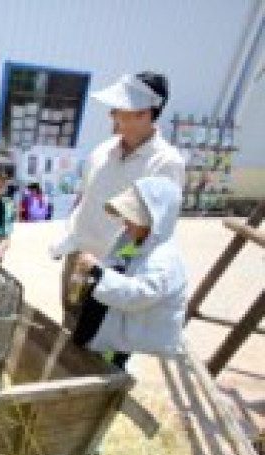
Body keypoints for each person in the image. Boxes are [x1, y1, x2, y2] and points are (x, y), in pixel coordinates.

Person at [51, 72, 185, 327]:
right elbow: (84, 197)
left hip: (113, 273)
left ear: (144, 113)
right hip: (79, 257)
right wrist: (71, 239)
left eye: (120, 109)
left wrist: (116, 267)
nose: (112, 114)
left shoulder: (166, 164)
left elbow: (156, 232)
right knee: (69, 324)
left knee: (97, 335)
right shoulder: (103, 150)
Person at [70, 176, 187, 369]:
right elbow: (115, 262)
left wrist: (98, 271)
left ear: (154, 219)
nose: (125, 222)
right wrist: (96, 272)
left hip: (129, 331)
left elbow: (140, 294)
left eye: (132, 218)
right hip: (116, 318)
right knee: (87, 345)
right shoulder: (134, 241)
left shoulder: (163, 259)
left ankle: (108, 378)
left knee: (108, 364)